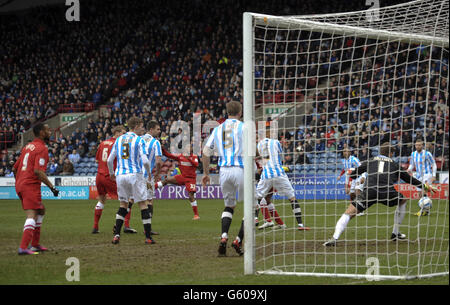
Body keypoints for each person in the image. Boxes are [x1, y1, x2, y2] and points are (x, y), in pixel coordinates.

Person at [323, 142, 437, 246]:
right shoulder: (394, 164)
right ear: (390, 153)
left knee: (349, 212)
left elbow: (353, 175)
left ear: (380, 152)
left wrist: (354, 173)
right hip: (387, 191)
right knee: (403, 200)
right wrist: (425, 186)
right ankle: (395, 233)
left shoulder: (370, 160)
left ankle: (334, 238)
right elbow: (409, 179)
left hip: (370, 191)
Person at [202, 101, 244, 257]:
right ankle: (238, 240)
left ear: (227, 112)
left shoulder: (218, 129)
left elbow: (205, 153)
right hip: (240, 169)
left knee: (229, 206)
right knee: (253, 207)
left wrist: (206, 173)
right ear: (240, 112)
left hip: (224, 172)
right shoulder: (244, 127)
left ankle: (224, 237)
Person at [13, 123, 59, 255]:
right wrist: (52, 187)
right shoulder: (42, 148)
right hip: (30, 185)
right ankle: (23, 247)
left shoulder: (27, 147)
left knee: (41, 210)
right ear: (41, 133)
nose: (50, 132)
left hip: (22, 184)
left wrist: (19, 182)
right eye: (47, 130)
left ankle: (35, 244)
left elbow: (14, 168)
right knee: (32, 214)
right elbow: (38, 171)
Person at [107, 116, 155, 245]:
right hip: (135, 174)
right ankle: (148, 237)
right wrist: (149, 173)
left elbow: (109, 160)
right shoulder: (139, 140)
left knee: (123, 204)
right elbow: (145, 160)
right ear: (137, 126)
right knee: (143, 204)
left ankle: (117, 235)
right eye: (142, 126)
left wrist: (112, 173)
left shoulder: (118, 140)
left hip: (120, 175)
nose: (143, 129)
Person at [92, 125, 137, 234]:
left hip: (99, 176)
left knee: (102, 200)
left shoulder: (103, 143)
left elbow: (97, 161)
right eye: (122, 132)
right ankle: (125, 225)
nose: (124, 134)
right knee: (128, 198)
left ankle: (95, 227)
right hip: (110, 176)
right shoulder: (118, 143)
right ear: (116, 133)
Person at [156, 143, 200, 220]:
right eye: (186, 147)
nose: (187, 149)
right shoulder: (180, 156)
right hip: (182, 177)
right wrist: (162, 149)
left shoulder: (194, 156)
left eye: (189, 147)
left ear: (191, 149)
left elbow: (196, 164)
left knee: (190, 196)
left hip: (191, 179)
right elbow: (169, 155)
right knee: (166, 180)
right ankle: (153, 188)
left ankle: (196, 215)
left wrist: (188, 158)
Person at [141, 120, 162, 235]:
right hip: (146, 176)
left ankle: (120, 225)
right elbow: (158, 162)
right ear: (151, 129)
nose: (159, 131)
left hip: (135, 173)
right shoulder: (155, 142)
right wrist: (158, 173)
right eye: (157, 129)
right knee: (149, 200)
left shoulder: (138, 139)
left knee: (129, 200)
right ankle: (147, 228)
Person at [407, 138, 437, 216]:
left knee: (424, 191)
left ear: (422, 145)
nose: (417, 146)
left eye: (419, 145)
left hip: (427, 175)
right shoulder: (413, 154)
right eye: (416, 145)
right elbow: (412, 164)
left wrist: (434, 175)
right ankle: (426, 211)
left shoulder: (427, 154)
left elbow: (433, 164)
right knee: (420, 194)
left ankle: (423, 211)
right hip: (418, 175)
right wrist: (409, 169)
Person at [337, 147, 365, 216]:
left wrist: (363, 177)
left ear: (350, 152)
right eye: (344, 151)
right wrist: (341, 177)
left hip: (358, 177)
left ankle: (361, 211)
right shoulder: (345, 161)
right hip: (352, 178)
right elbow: (346, 170)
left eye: (347, 151)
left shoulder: (354, 159)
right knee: (351, 194)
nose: (345, 153)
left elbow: (362, 167)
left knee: (357, 191)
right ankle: (353, 207)